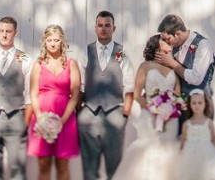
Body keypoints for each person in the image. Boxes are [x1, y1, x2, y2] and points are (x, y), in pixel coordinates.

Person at [113, 34, 182, 180]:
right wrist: (154, 110)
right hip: (150, 117)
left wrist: (170, 111)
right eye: (165, 41)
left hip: (170, 119)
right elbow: (137, 95)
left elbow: (178, 94)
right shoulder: (145, 66)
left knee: (168, 153)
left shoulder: (173, 65)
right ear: (156, 46)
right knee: (148, 153)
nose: (169, 43)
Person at [77, 10, 134, 180]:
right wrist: (79, 113)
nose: (103, 29)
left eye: (107, 25)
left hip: (115, 115)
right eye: (100, 25)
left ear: (113, 28)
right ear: (95, 28)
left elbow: (129, 85)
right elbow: (79, 86)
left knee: (114, 169)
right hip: (89, 114)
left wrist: (125, 115)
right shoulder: (86, 51)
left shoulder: (120, 52)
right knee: (89, 169)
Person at [0, 16, 33, 180]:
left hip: (16, 117)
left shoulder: (24, 58)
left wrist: (25, 123)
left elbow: (29, 93)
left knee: (18, 168)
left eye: (8, 31)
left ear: (15, 33)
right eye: (1, 31)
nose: (4, 35)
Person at [27, 25, 80, 180]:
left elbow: (75, 95)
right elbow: (33, 93)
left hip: (65, 119)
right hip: (42, 119)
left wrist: (62, 121)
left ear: (62, 41)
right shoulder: (38, 64)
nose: (52, 44)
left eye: (56, 40)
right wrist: (40, 117)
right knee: (43, 164)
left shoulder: (71, 64)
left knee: (62, 164)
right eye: (49, 40)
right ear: (44, 42)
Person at [155, 14, 215, 101]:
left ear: (177, 34)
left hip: (200, 103)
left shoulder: (203, 45)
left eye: (168, 39)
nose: (167, 42)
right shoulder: (172, 46)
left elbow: (196, 79)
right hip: (179, 102)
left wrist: (172, 63)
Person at [179, 89, 215, 180]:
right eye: (194, 103)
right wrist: (181, 158)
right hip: (190, 155)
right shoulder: (186, 124)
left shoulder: (208, 123)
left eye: (200, 103)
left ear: (205, 104)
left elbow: (214, 139)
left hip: (207, 153)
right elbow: (182, 143)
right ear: (190, 105)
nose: (197, 105)